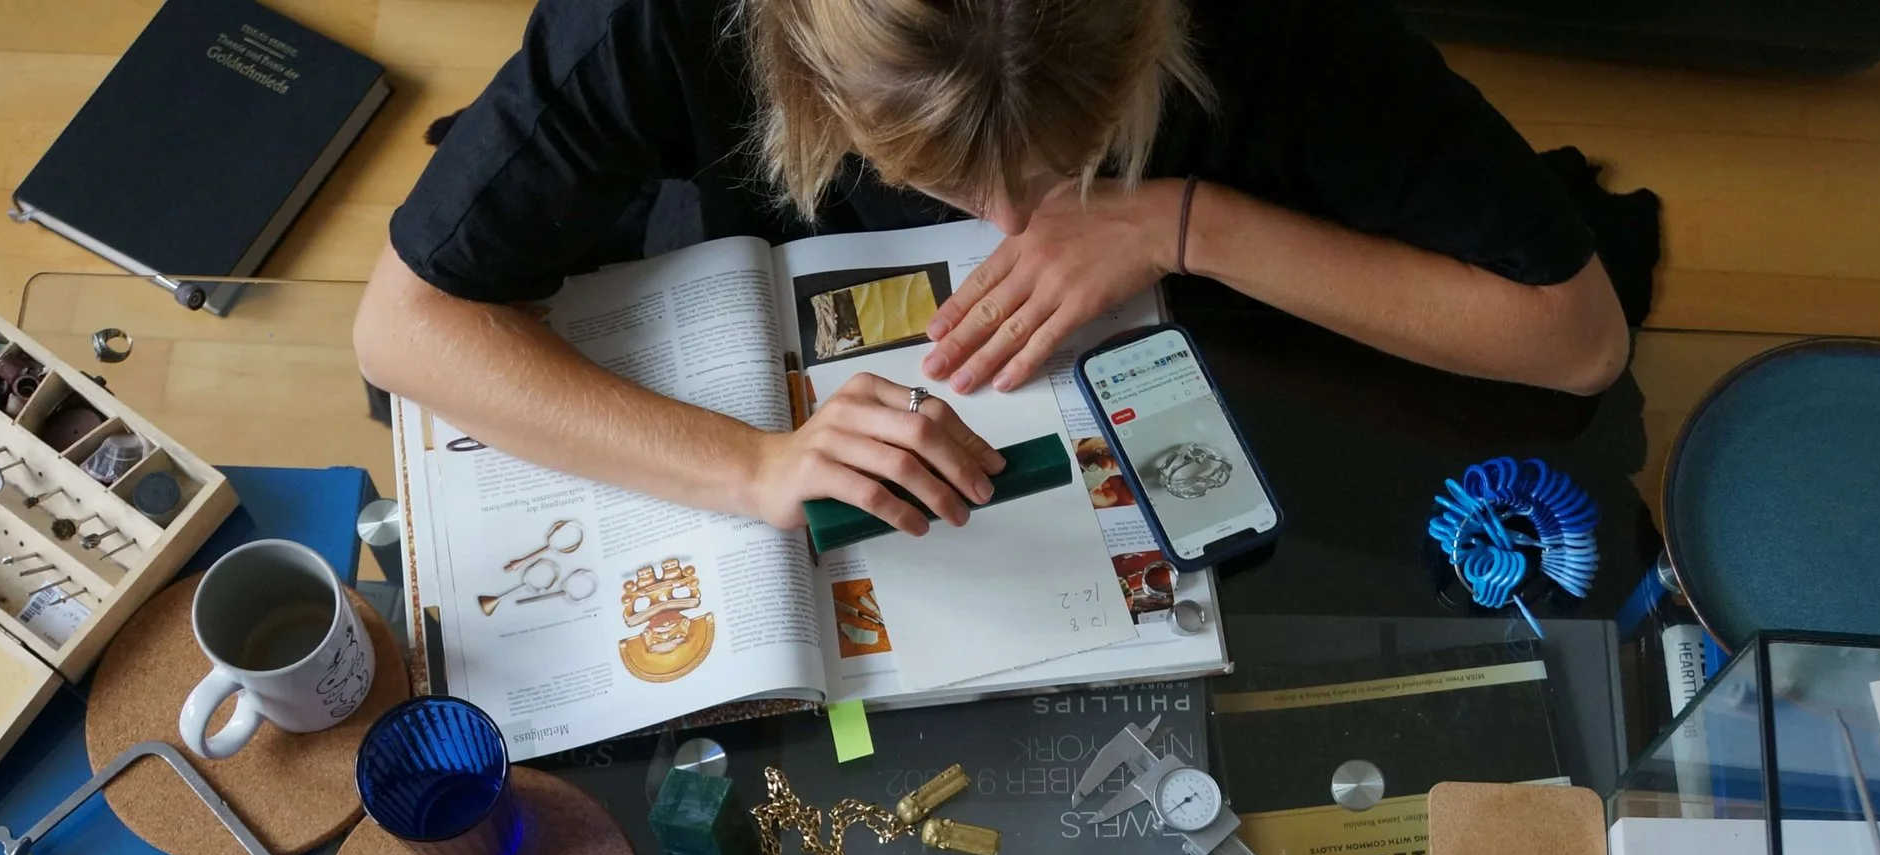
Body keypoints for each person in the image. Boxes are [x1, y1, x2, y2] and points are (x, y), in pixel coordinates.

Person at [354, 0, 1631, 538]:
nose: (1014, 219)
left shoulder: (1274, 23)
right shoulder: (660, 19)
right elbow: (402, 329)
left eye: (1070, 156)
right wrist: (752, 465)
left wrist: (1175, 218)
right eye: (952, 180)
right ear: (796, 69)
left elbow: (1575, 336)